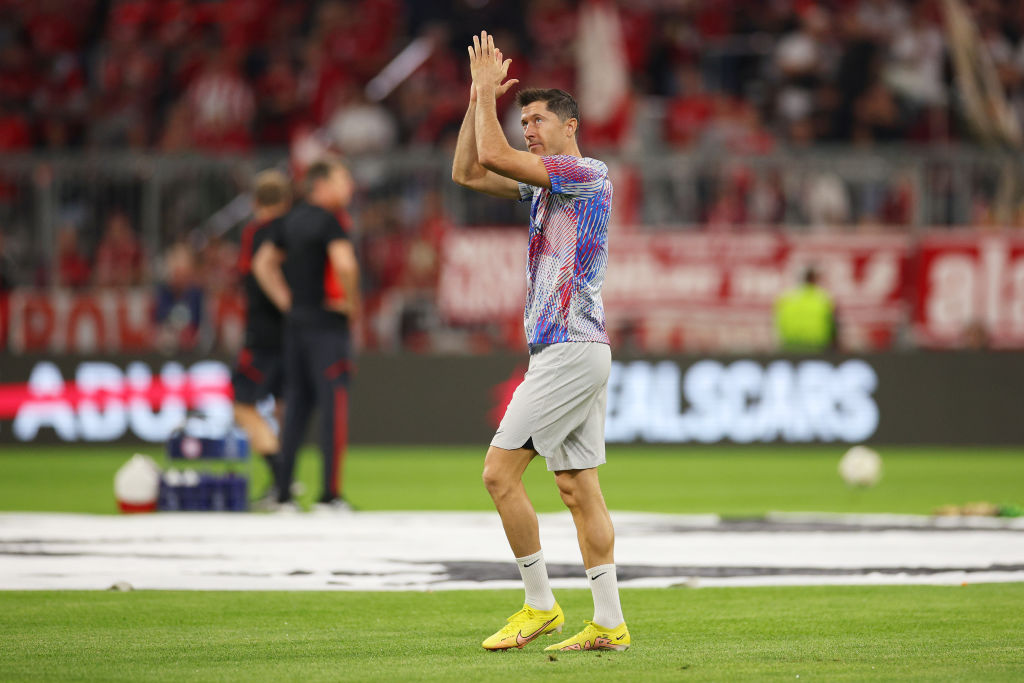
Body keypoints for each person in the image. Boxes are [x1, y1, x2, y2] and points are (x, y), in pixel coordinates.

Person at [452, 31, 629, 652]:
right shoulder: (546, 185)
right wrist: (478, 104)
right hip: (578, 350)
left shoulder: (584, 172)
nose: (526, 127)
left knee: (499, 475)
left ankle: (539, 605)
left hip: (569, 348)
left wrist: (482, 92)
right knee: (579, 489)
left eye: (536, 119)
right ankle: (609, 623)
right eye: (521, 118)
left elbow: (495, 158)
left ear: (571, 125)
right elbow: (468, 170)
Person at [252, 158, 360, 512]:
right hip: (327, 328)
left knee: (295, 408)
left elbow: (263, 263)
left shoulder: (291, 220)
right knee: (333, 408)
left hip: (295, 327)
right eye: (342, 178)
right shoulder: (330, 221)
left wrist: (288, 302)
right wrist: (351, 303)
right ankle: (329, 495)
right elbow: (345, 264)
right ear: (322, 184)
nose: (349, 185)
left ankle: (283, 494)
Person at [231, 169, 291, 504]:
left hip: (262, 332)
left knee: (243, 405)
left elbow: (259, 269)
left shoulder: (257, 232)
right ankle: (283, 482)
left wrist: (286, 304)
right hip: (291, 336)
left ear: (256, 202)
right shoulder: (293, 229)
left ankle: (280, 474)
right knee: (284, 406)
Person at [774, 265, 838, 351]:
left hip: (791, 347)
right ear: (814, 280)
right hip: (817, 347)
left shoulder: (787, 299)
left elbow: (779, 322)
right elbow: (833, 326)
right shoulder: (823, 299)